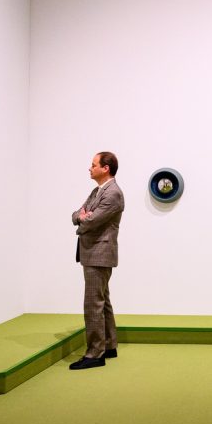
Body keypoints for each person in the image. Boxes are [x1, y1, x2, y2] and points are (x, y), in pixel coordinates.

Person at [69, 151, 125, 370]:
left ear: (105, 168)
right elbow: (76, 214)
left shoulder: (113, 193)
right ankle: (109, 345)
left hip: (98, 254)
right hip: (94, 253)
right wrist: (81, 216)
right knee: (103, 301)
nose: (89, 168)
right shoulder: (97, 191)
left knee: (93, 304)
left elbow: (91, 221)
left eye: (93, 165)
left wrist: (83, 218)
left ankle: (94, 354)